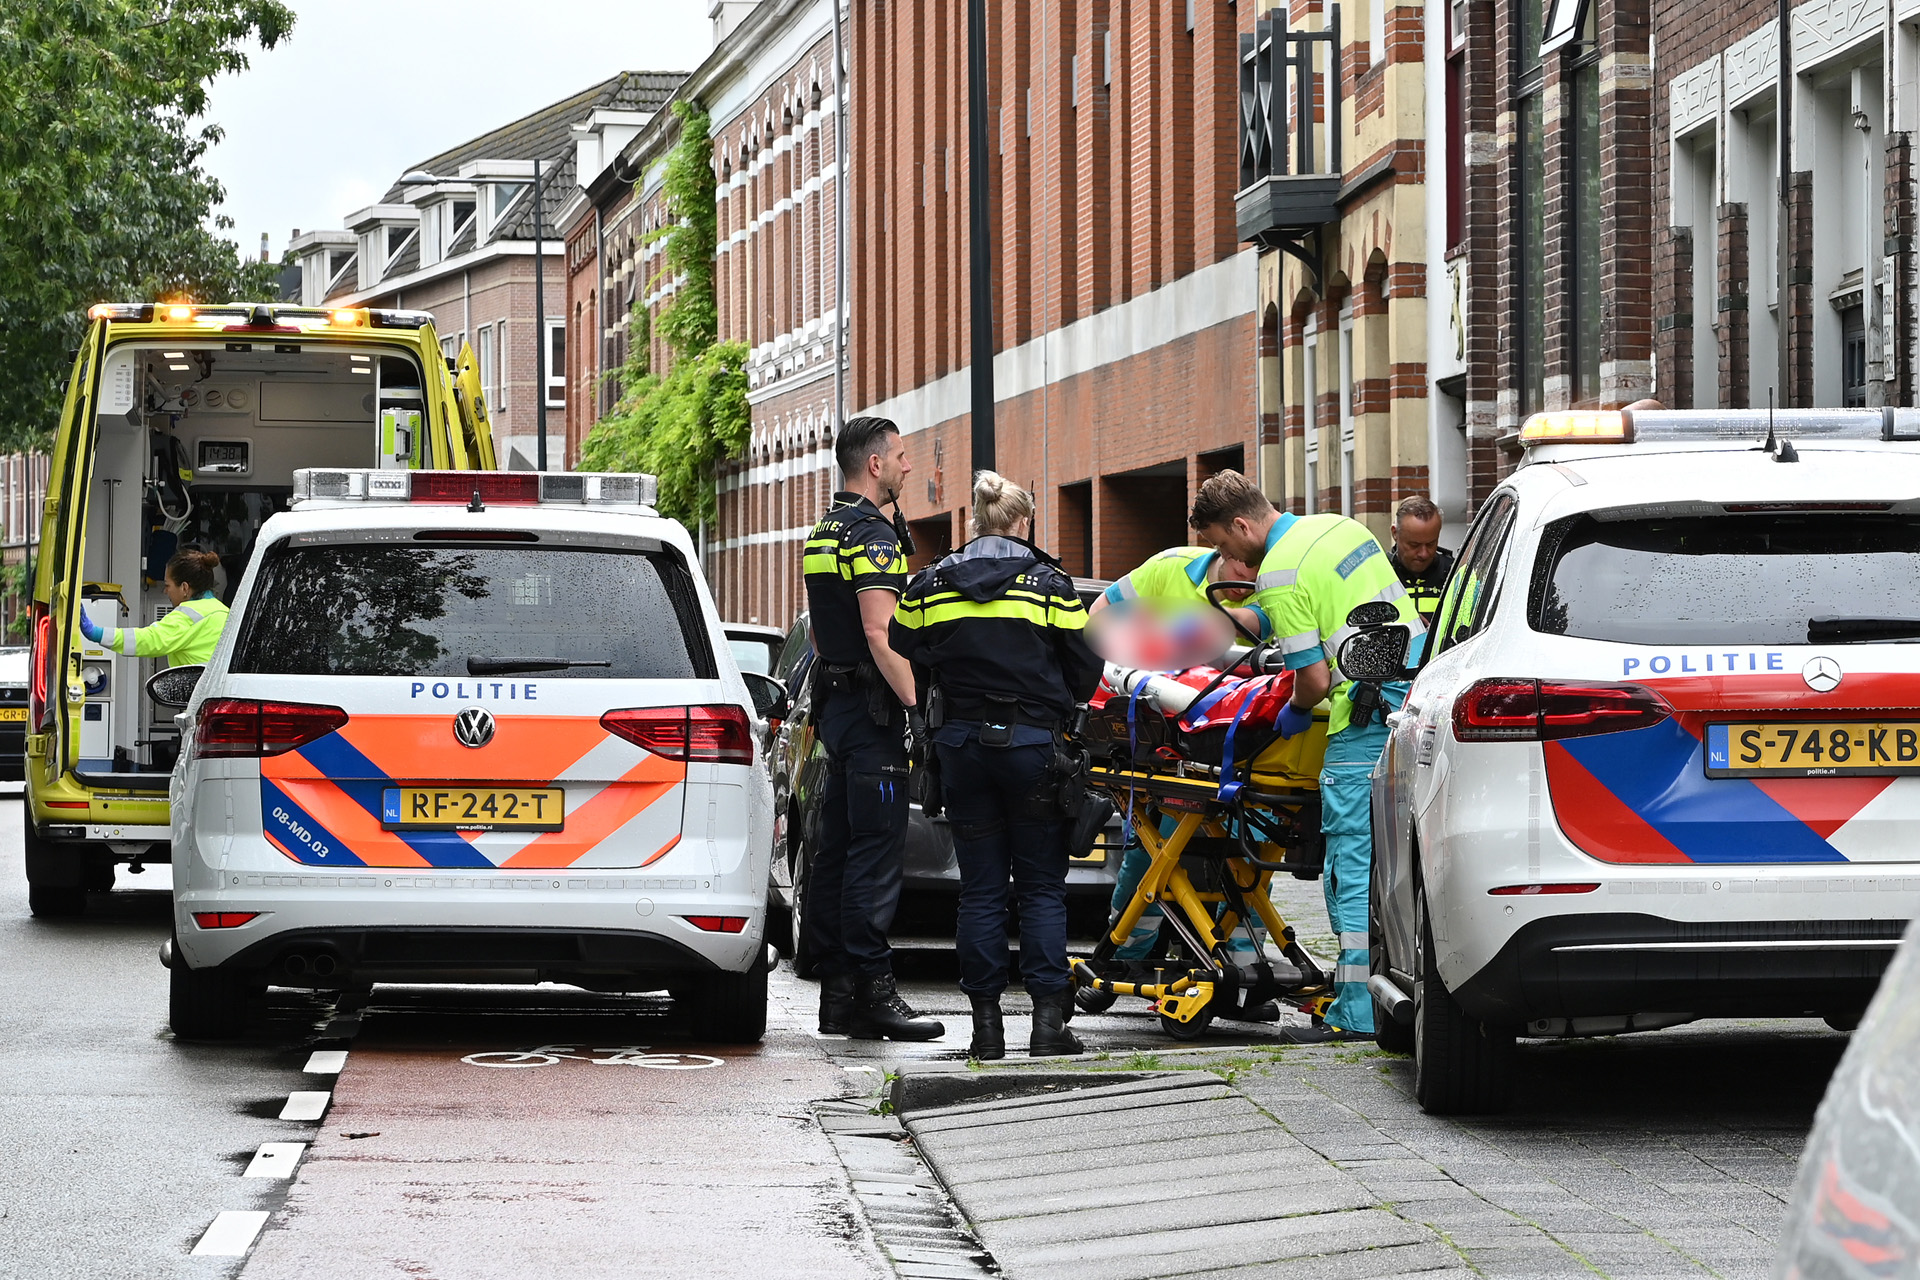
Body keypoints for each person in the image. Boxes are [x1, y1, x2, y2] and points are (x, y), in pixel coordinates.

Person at [1189, 471, 1422, 1044]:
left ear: (1242, 524)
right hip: (1414, 702)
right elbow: (1345, 613)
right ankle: (1403, 983)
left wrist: (1291, 711)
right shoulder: (1338, 527)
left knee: (1350, 862)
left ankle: (1358, 1007)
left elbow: (1314, 680)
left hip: (1361, 719)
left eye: (1222, 544)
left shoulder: (1277, 573)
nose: (1228, 557)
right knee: (1400, 860)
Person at [890, 471, 1104, 1060]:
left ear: (978, 522)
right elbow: (1086, 669)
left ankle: (986, 1032)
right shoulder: (1049, 586)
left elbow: (902, 640)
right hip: (1033, 747)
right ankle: (1047, 1026)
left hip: (961, 747)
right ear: (1022, 522)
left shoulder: (933, 583)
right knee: (1039, 888)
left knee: (980, 890)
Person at [1085, 543, 1278, 1018]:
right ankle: (1123, 960)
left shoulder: (1274, 583)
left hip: (1241, 743)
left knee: (1246, 862)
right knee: (1154, 855)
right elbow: (1099, 618)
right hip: (1171, 743)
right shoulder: (1166, 570)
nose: (1247, 578)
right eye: (1241, 567)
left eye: (1255, 570)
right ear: (1224, 547)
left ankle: (1240, 972)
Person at [800, 416, 944, 1042]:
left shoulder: (823, 531)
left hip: (837, 712)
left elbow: (823, 630)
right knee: (874, 856)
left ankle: (840, 997)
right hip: (872, 715)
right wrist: (918, 709)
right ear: (876, 464)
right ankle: (876, 993)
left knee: (836, 853)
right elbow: (880, 634)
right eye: (903, 456)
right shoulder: (873, 538)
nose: (910, 466)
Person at [78, 548, 229, 664]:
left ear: (184, 588)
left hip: (202, 701)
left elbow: (148, 640)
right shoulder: (224, 612)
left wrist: (97, 633)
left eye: (168, 585)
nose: (165, 591)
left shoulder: (189, 616)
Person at [1387, 495, 1454, 631]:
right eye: (1414, 545)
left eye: (1431, 544)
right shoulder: (1379, 575)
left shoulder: (1454, 573)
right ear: (1395, 533)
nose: (1423, 553)